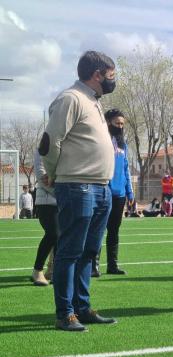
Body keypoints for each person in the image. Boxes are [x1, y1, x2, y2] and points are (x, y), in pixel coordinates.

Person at [39, 51, 117, 331]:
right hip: (77, 186)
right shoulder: (71, 98)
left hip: (101, 188)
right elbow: (49, 143)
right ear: (97, 74)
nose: (113, 80)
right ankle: (65, 313)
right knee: (70, 252)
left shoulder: (92, 101)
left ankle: (82, 308)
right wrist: (57, 174)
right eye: (111, 74)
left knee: (89, 253)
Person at [92, 108, 134, 278]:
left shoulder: (123, 145)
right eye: (117, 123)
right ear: (108, 122)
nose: (120, 126)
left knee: (114, 230)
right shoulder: (102, 141)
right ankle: (93, 266)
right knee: (99, 230)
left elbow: (126, 169)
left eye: (122, 124)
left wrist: (130, 192)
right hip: (104, 191)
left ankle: (112, 265)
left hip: (120, 194)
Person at [31, 151, 58, 286]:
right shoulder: (43, 147)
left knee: (61, 236)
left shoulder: (67, 145)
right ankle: (37, 270)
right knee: (53, 233)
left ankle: (53, 270)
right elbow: (42, 175)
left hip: (63, 200)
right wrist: (61, 190)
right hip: (46, 201)